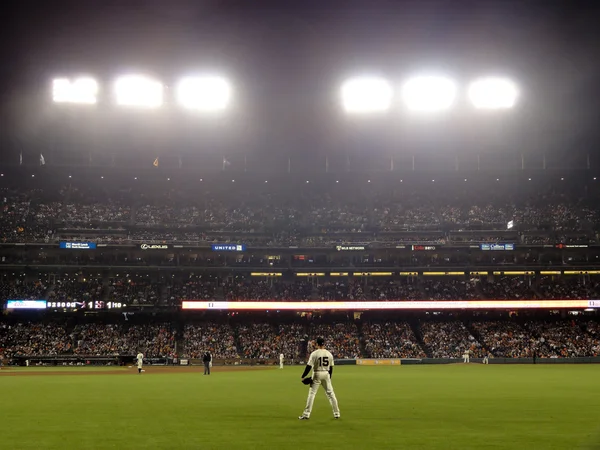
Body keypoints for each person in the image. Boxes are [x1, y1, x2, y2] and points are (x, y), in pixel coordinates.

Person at [299, 337, 340, 420]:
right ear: (324, 344)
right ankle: (337, 413)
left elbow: (309, 366)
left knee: (312, 394)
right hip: (326, 373)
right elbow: (331, 368)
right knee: (331, 394)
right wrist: (329, 378)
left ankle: (306, 414)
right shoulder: (329, 354)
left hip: (317, 373)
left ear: (317, 344)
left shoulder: (314, 353)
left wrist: (303, 376)